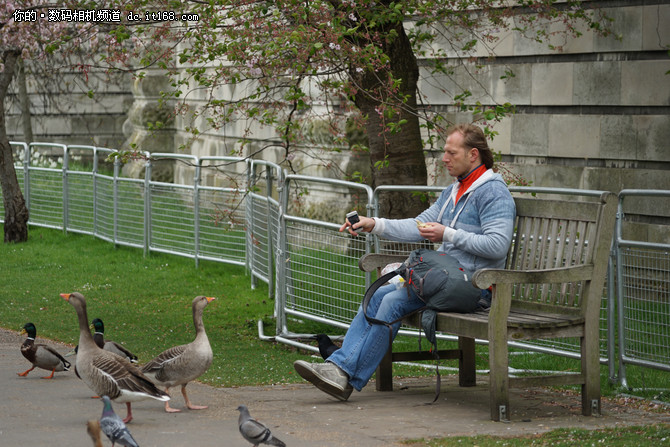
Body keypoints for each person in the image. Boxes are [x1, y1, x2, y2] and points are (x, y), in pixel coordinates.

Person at [293, 123, 516, 401]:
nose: (444, 158)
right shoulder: (453, 192)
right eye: (444, 152)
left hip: (476, 288)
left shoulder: (492, 192)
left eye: (450, 152)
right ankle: (339, 369)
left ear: (473, 155)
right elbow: (417, 224)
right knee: (379, 292)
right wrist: (373, 224)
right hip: (445, 281)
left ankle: (344, 372)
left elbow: (498, 246)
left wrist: (448, 234)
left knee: (393, 301)